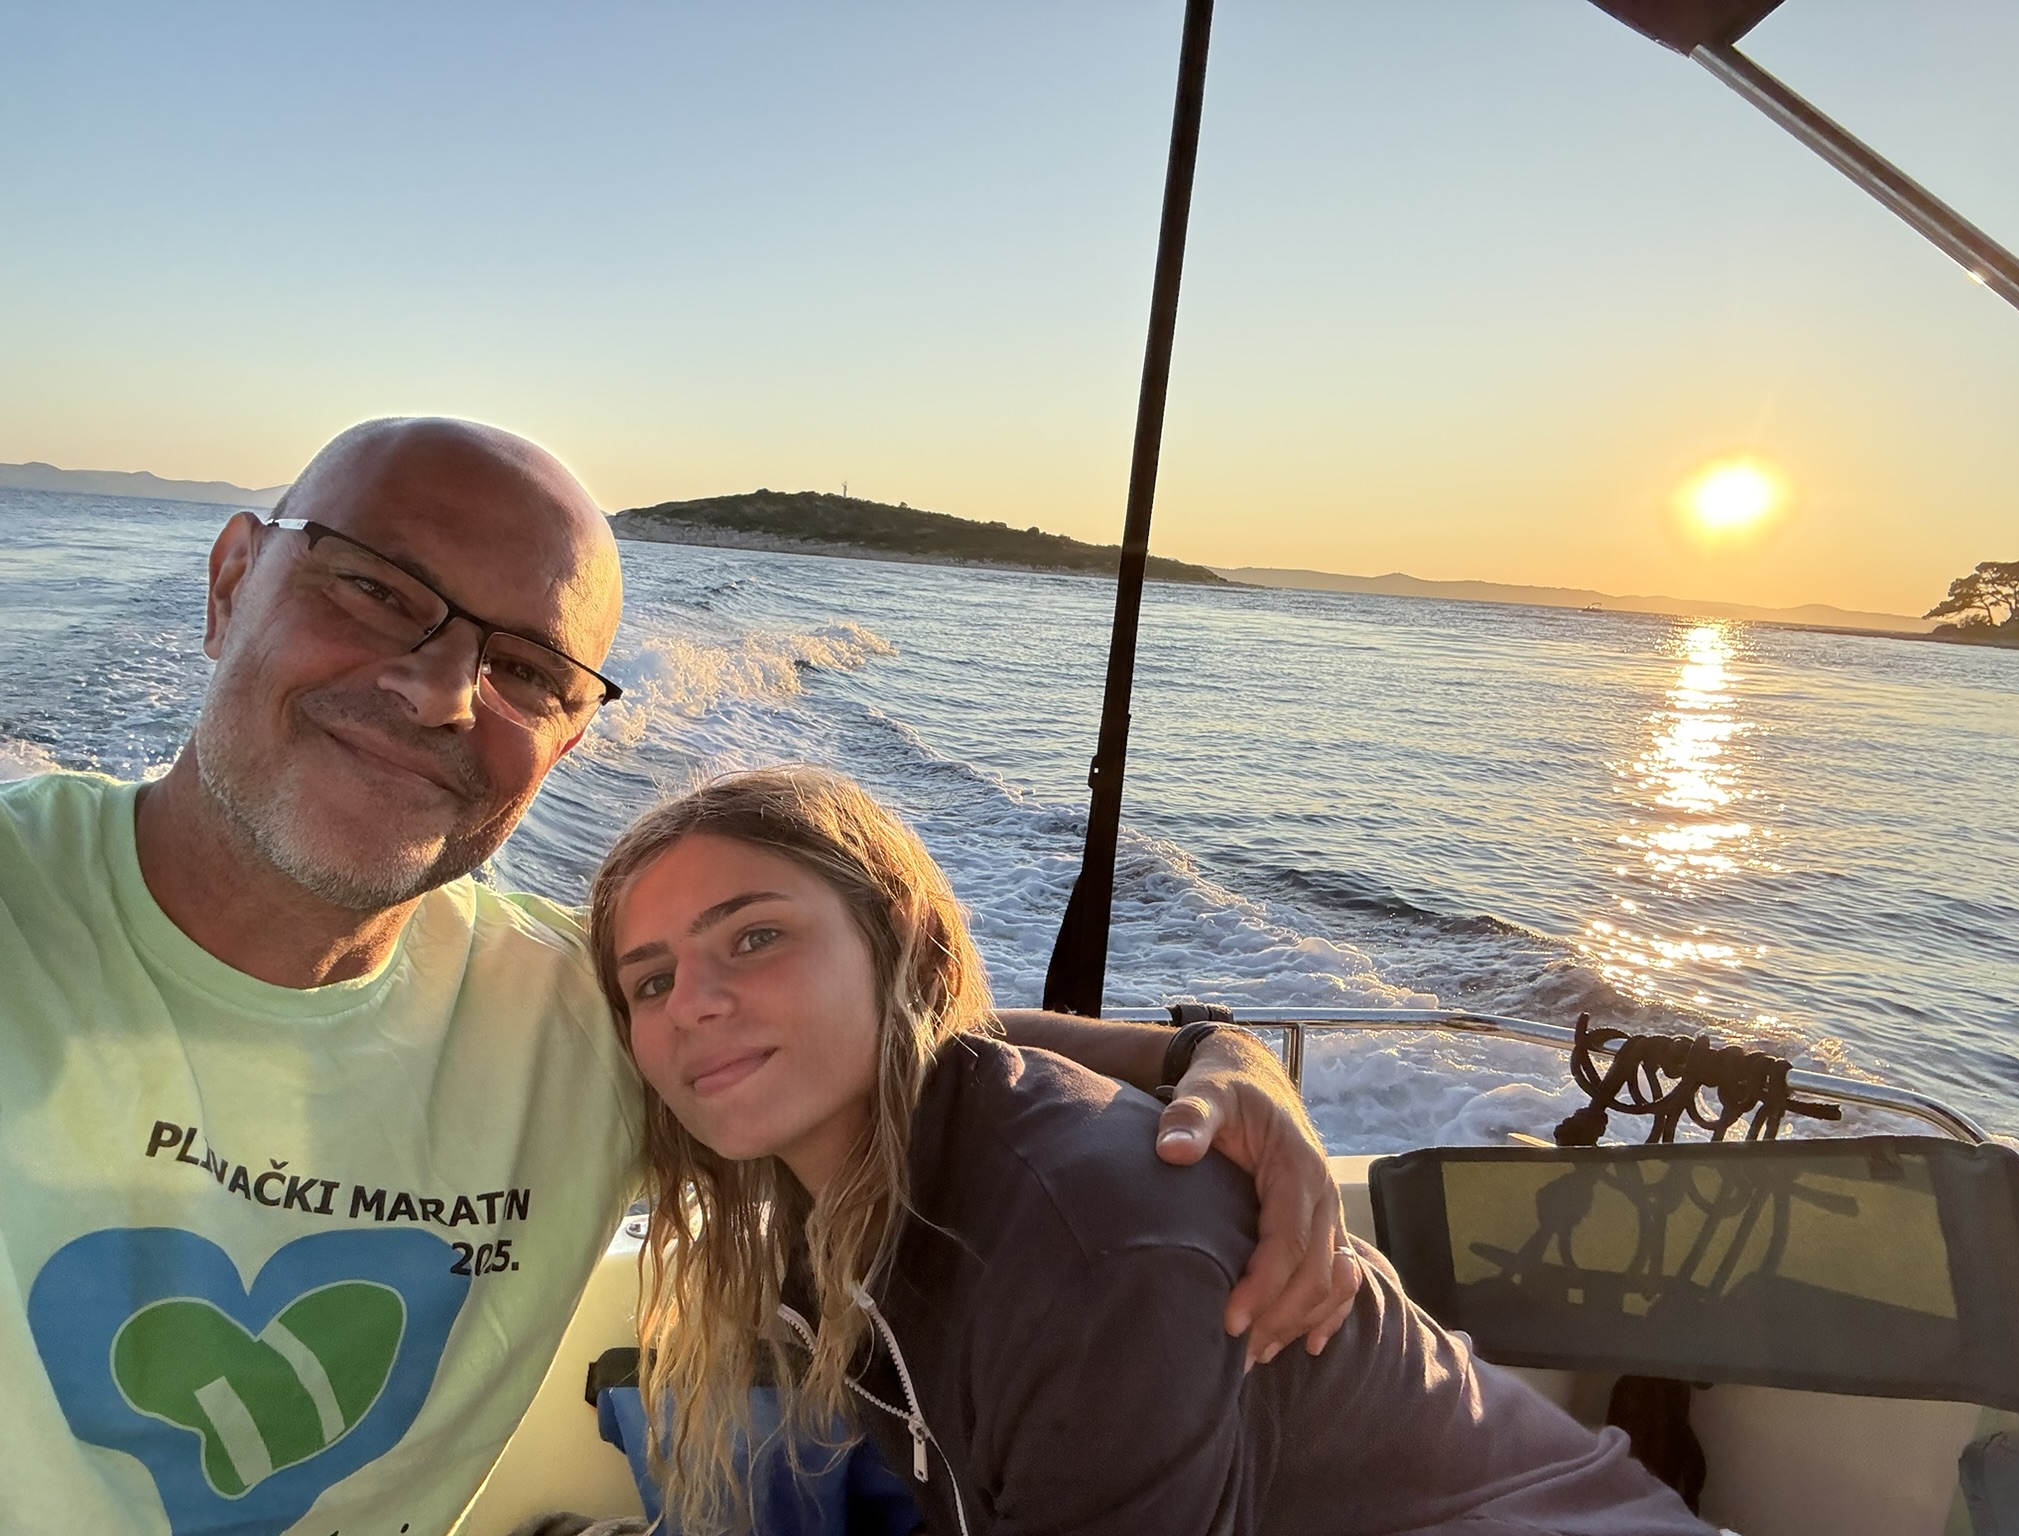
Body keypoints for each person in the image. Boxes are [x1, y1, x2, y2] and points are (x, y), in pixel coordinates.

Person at [0, 417, 1356, 1536]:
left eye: (526, 669)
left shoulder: (574, 1018)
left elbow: (880, 1040)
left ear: (567, 742)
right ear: (230, 581)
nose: (442, 691)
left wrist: (1204, 1057)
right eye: (375, 589)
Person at [592, 766, 1715, 1536]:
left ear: (904, 942)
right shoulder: (857, 1157)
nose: (695, 1004)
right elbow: (985, 1029)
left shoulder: (1093, 1252)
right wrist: (1211, 1049)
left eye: (755, 936)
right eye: (651, 981)